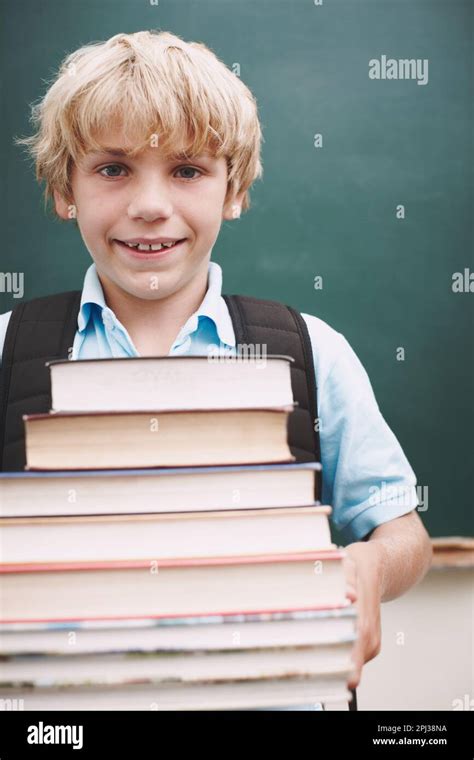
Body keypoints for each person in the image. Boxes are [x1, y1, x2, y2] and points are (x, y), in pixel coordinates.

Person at [0, 30, 432, 704]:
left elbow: (402, 529)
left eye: (187, 169)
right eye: (113, 168)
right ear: (65, 189)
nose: (150, 205)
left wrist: (373, 563)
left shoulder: (310, 350)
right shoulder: (4, 351)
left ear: (233, 190)